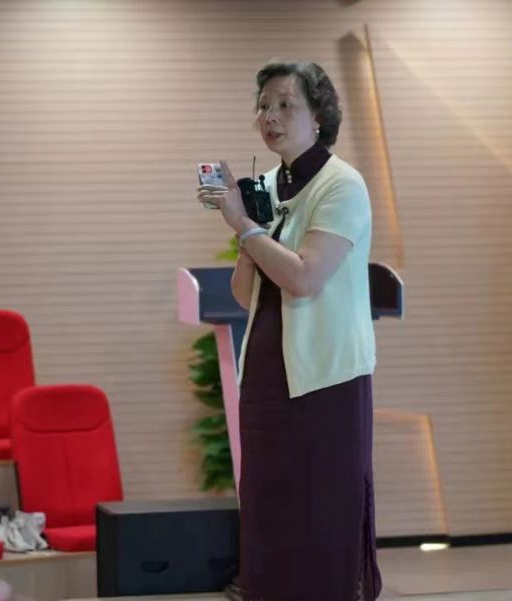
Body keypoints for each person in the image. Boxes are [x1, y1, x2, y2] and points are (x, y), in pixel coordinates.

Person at [197, 60, 381, 601]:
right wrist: (249, 233)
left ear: (319, 116)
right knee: (268, 509)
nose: (269, 116)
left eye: (285, 105)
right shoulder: (269, 185)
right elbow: (244, 294)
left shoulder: (342, 184)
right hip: (267, 373)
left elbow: (304, 278)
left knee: (320, 512)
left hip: (326, 376)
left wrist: (243, 224)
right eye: (263, 106)